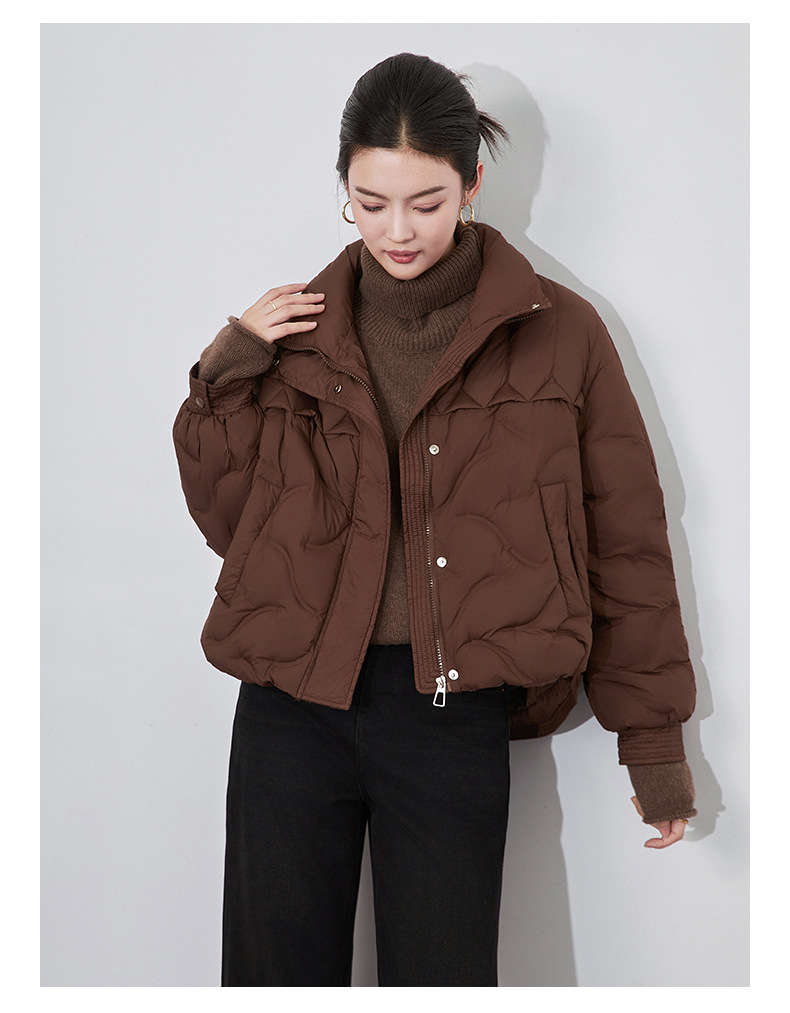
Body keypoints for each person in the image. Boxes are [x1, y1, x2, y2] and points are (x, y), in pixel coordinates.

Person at [173, 52, 697, 988]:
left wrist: (651, 744)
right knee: (270, 981)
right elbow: (234, 528)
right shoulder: (296, 336)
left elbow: (626, 538)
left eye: (426, 201)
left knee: (445, 982)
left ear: (473, 184)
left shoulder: (561, 332)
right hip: (290, 710)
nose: (398, 230)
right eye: (370, 202)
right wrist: (227, 372)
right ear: (344, 185)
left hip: (449, 718)